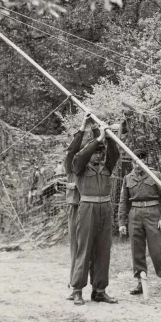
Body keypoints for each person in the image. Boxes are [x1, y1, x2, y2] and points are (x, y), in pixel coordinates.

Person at [69, 124, 119, 305]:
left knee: (103, 250)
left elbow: (115, 153)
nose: (99, 155)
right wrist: (97, 139)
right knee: (85, 248)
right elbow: (80, 155)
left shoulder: (107, 167)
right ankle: (77, 290)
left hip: (105, 208)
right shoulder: (80, 167)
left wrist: (109, 136)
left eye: (101, 152)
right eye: (96, 152)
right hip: (87, 208)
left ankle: (99, 290)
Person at [118, 148, 161, 295]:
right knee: (137, 249)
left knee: (157, 249)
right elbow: (123, 201)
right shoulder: (128, 178)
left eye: (140, 161)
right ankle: (140, 282)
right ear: (131, 162)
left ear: (145, 161)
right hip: (134, 215)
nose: (137, 165)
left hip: (153, 214)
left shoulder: (155, 175)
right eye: (134, 161)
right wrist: (122, 222)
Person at [64, 113, 99, 300]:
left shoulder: (91, 167)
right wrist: (83, 126)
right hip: (76, 209)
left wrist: (95, 128)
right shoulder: (72, 166)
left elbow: (101, 145)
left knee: (95, 249)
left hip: (93, 208)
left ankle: (97, 289)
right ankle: (75, 287)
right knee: (77, 249)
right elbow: (72, 150)